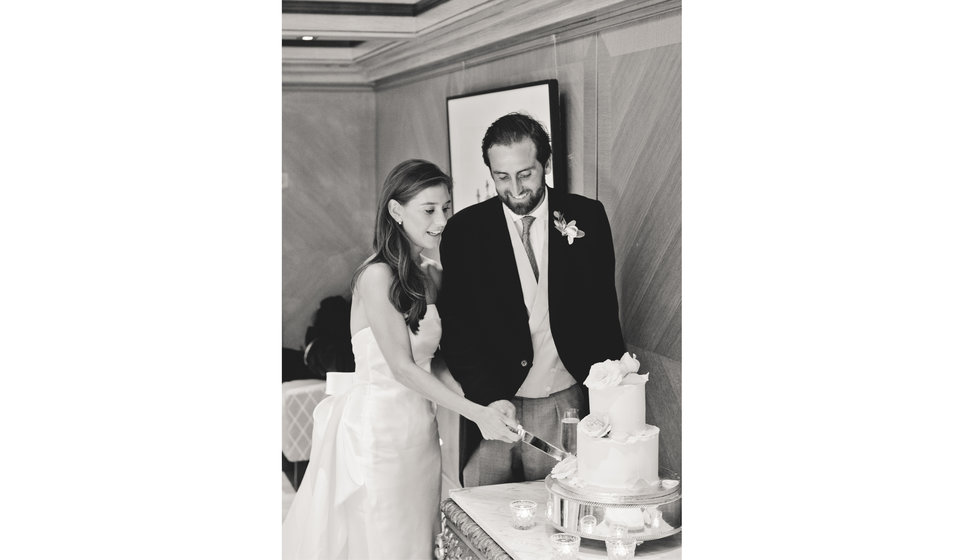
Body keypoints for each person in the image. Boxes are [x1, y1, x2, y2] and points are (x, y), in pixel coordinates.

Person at [282, 159, 520, 559]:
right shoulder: (375, 277)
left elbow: (434, 362)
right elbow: (402, 368)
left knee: (417, 541)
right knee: (383, 540)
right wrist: (475, 415)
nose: (442, 219)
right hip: (377, 433)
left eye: (446, 207)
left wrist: (483, 402)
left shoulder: (432, 275)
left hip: (420, 434)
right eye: (428, 210)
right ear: (396, 211)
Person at [437, 112, 626, 487]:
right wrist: (486, 401)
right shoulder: (464, 231)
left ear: (547, 163)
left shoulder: (587, 216)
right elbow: (457, 329)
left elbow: (604, 312)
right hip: (492, 408)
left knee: (558, 512)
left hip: (564, 399)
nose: (516, 189)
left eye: (526, 173)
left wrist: (612, 399)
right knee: (485, 520)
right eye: (502, 177)